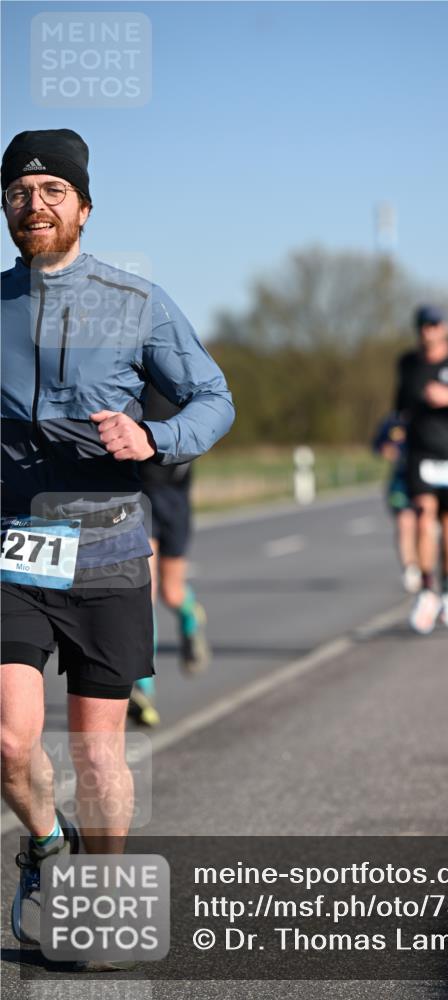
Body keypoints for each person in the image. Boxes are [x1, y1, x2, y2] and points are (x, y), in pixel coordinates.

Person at [0, 129, 234, 953]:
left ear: (84, 209)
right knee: (9, 738)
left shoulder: (137, 302)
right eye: (19, 193)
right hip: (14, 546)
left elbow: (212, 398)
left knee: (98, 758)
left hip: (106, 548)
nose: (34, 205)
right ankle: (47, 842)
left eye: (52, 192)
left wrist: (153, 441)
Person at [128, 384, 211, 726]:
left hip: (173, 497)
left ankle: (191, 617)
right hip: (137, 495)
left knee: (171, 593)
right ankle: (143, 688)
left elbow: (210, 417)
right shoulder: (123, 372)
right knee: (140, 595)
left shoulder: (180, 374)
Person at [394, 305, 448, 634]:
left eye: (433, 325)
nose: (427, 331)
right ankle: (428, 590)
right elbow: (398, 407)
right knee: (422, 517)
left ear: (445, 327)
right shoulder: (408, 363)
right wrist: (392, 435)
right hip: (420, 454)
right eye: (422, 326)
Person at [372, 413, 420, 593]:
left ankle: (426, 568)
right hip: (402, 482)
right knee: (405, 523)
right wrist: (386, 450)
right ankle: (411, 569)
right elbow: (377, 445)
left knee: (424, 526)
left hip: (427, 479)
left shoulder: (429, 416)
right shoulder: (393, 422)